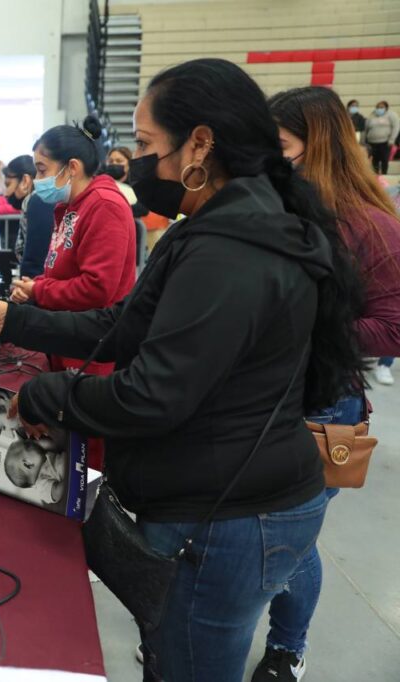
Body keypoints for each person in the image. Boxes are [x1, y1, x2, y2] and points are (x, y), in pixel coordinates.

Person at [0, 58, 365, 682]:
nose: (135, 162)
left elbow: (151, 396)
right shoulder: (224, 226)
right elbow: (122, 324)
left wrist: (46, 394)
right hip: (223, 494)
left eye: (144, 145)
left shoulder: (234, 247)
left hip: (229, 512)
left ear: (200, 143)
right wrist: (11, 322)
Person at [252, 85, 400, 682]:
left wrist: (305, 327)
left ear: (315, 145)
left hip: (323, 408)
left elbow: (391, 330)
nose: (271, 158)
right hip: (260, 399)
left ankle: (288, 646)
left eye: (281, 146)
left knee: (292, 540)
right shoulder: (276, 209)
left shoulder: (369, 225)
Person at [9, 116, 136, 376]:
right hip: (69, 338)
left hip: (92, 351)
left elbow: (96, 287)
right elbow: (64, 270)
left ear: (72, 167)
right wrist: (34, 287)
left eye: (42, 169)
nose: (37, 179)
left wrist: (39, 289)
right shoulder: (70, 205)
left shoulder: (104, 206)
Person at [0, 155, 55, 279]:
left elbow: (34, 257)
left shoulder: (34, 200)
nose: (5, 193)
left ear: (25, 181)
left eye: (8, 185)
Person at [364, 101, 399, 175]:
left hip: (385, 142)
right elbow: (366, 128)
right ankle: (376, 175)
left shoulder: (392, 115)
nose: (379, 109)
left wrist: (392, 139)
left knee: (384, 160)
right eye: (378, 107)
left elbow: (396, 127)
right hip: (372, 142)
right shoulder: (372, 115)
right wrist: (365, 140)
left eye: (381, 107)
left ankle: (384, 174)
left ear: (386, 108)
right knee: (374, 160)